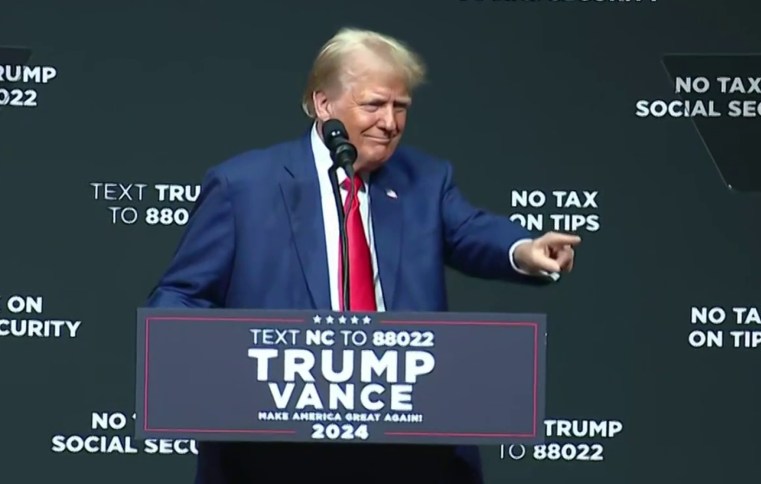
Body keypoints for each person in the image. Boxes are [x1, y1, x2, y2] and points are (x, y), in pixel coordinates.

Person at [146, 27, 580, 484]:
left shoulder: (426, 180)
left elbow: (470, 230)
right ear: (324, 104)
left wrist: (524, 250)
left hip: (409, 452)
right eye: (373, 105)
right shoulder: (243, 186)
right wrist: (199, 354)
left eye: (400, 107)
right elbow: (181, 294)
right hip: (274, 454)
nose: (390, 122)